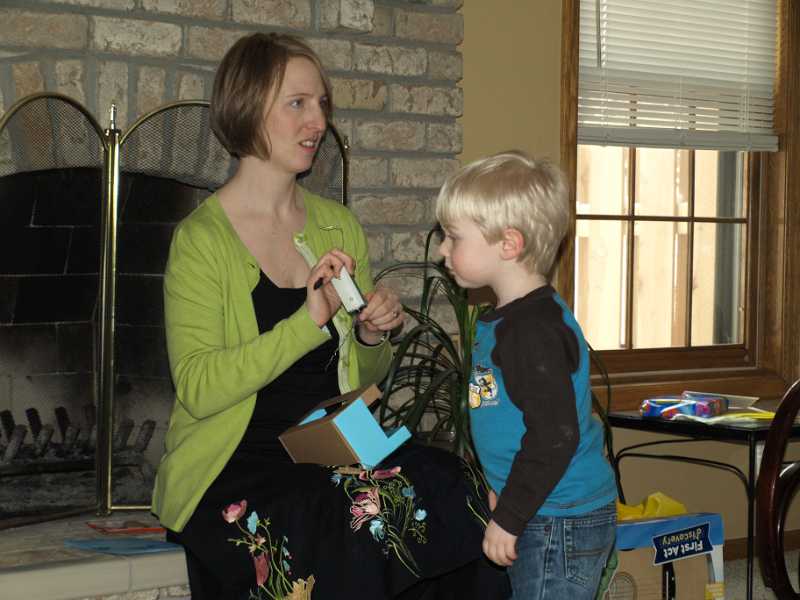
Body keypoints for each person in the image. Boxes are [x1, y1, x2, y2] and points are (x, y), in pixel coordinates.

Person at [152, 32, 507, 600]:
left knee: (454, 485)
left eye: (321, 103)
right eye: (297, 103)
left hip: (335, 445)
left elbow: (362, 380)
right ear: (247, 107)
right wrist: (307, 322)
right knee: (356, 519)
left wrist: (368, 334)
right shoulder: (202, 240)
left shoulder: (336, 225)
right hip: (239, 464)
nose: (317, 121)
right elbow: (199, 387)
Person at [436, 151, 618, 599]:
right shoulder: (512, 320)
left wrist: (511, 515)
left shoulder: (532, 331)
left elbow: (555, 437)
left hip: (560, 519)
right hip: (544, 509)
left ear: (509, 244)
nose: (442, 249)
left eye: (453, 237)